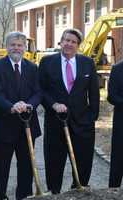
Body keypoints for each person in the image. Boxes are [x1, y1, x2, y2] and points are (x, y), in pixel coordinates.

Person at [39, 28, 100, 194]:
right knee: (54, 161)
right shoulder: (47, 62)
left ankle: (78, 189)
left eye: (73, 42)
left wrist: (92, 117)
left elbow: (94, 93)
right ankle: (54, 192)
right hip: (55, 122)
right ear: (61, 42)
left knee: (83, 161)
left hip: (83, 123)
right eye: (66, 40)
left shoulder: (87, 63)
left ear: (78, 45)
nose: (69, 44)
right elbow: (41, 90)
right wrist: (53, 105)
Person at [0, 31, 41, 200]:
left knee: (27, 167)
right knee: (1, 169)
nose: (16, 48)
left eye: (20, 45)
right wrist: (12, 107)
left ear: (25, 47)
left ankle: (24, 196)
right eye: (13, 44)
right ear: (7, 46)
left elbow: (38, 92)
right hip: (3, 126)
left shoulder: (33, 68)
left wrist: (29, 105)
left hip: (27, 126)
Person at [108, 60, 123, 187]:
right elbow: (111, 96)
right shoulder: (117, 69)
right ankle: (113, 190)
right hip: (121, 122)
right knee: (118, 157)